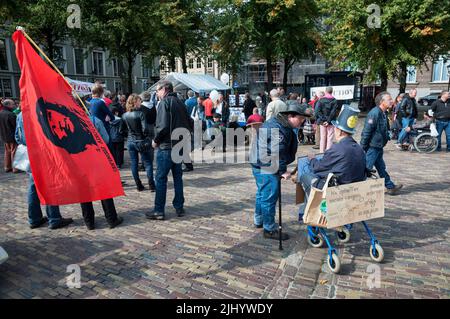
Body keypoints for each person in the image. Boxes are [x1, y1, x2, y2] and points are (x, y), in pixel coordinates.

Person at [250, 102, 311, 241]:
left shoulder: (281, 123)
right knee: (269, 196)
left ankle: (259, 220)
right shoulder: (279, 128)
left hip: (260, 161)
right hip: (266, 164)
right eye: (300, 119)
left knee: (262, 193)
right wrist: (282, 171)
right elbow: (278, 152)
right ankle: (269, 229)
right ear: (290, 116)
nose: (302, 122)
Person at [297, 105, 366, 220]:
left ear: (339, 131)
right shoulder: (359, 148)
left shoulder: (337, 149)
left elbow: (318, 168)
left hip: (337, 190)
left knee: (305, 176)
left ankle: (307, 211)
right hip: (353, 188)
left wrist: (312, 159)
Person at [15, 112, 74, 230]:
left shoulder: (21, 115)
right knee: (49, 185)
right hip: (44, 154)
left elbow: (18, 137)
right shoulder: (41, 110)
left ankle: (35, 219)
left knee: (33, 187)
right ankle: (54, 219)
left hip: (31, 154)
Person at [148, 81, 192, 220]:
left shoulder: (164, 103)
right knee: (177, 178)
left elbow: (163, 126)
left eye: (158, 90)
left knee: (161, 179)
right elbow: (190, 123)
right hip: (178, 147)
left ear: (164, 89)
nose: (156, 93)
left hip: (166, 147)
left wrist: (155, 140)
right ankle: (179, 207)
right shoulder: (181, 103)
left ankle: (159, 211)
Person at [80, 114, 123, 230]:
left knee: (84, 189)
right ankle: (111, 219)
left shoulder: (68, 119)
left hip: (79, 159)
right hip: (96, 157)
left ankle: (89, 222)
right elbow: (105, 139)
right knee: (104, 187)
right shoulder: (94, 119)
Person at [361, 92, 403, 195]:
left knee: (381, 167)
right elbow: (367, 131)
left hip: (378, 146)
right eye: (389, 99)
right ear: (382, 102)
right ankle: (356, 189)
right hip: (372, 146)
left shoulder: (383, 112)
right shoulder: (374, 113)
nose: (392, 101)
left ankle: (390, 186)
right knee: (366, 169)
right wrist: (362, 147)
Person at [122, 94, 156, 191]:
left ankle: (138, 185)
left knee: (134, 163)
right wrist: (146, 137)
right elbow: (145, 129)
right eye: (139, 101)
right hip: (141, 141)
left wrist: (129, 135)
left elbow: (121, 130)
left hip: (131, 141)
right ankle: (151, 185)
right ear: (134, 102)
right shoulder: (140, 114)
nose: (140, 102)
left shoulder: (124, 115)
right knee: (148, 163)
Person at [315, 87, 339, 153]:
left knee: (322, 137)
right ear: (332, 91)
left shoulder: (320, 100)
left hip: (322, 122)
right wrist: (328, 121)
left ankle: (321, 152)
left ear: (325, 91)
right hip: (330, 122)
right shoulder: (334, 100)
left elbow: (317, 111)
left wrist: (323, 120)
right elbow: (333, 112)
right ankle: (329, 153)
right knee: (330, 137)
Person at [0, 99, 18, 173]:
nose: (14, 106)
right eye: (13, 104)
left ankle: (7, 167)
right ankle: (15, 168)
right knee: (13, 151)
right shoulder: (10, 114)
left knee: (7, 151)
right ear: (8, 105)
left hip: (4, 135)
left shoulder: (1, 113)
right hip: (11, 135)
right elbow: (15, 126)